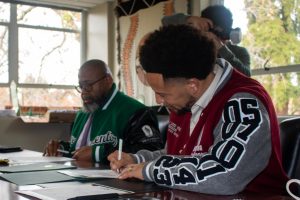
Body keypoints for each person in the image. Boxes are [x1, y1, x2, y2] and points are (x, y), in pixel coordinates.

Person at [108, 25, 288, 195]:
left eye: (162, 94)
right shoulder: (184, 101)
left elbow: (225, 174)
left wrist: (151, 170)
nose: (159, 101)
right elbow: (177, 156)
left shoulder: (243, 103)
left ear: (192, 85)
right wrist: (137, 161)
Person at [44, 59, 163, 163]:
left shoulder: (137, 111)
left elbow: (151, 152)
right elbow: (80, 151)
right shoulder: (83, 113)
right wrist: (60, 148)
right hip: (78, 180)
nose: (84, 92)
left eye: (89, 85)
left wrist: (99, 153)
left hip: (118, 184)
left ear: (108, 80)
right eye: (81, 86)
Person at [161, 5, 251, 77]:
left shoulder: (239, 52)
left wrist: (221, 48)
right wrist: (190, 19)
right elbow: (165, 22)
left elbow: (246, 75)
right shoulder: (195, 45)